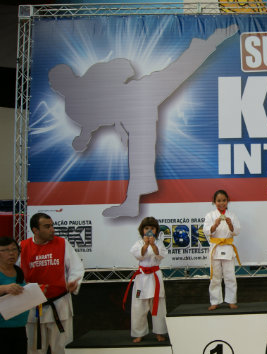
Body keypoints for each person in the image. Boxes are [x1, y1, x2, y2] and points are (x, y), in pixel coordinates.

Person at [48, 25, 238, 218]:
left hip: (137, 97)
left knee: (175, 73)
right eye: (58, 84)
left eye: (61, 82)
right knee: (140, 154)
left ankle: (210, 42)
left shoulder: (91, 78)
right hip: (133, 108)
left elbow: (124, 68)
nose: (61, 87)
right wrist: (84, 138)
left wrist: (87, 134)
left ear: (66, 80)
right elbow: (92, 121)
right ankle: (131, 203)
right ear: (58, 88)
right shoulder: (74, 106)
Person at [19, 212, 84, 354]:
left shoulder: (62, 244)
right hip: (33, 307)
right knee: (35, 352)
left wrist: (73, 282)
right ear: (35, 229)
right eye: (47, 226)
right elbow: (15, 274)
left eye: (52, 225)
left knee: (62, 350)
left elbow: (77, 267)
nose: (52, 229)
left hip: (59, 304)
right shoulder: (23, 247)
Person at [124, 216, 168, 343]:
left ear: (156, 230)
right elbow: (138, 255)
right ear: (142, 230)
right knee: (139, 306)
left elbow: (160, 255)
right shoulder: (139, 243)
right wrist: (145, 245)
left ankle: (159, 332)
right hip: (142, 277)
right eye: (146, 228)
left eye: (152, 228)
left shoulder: (158, 243)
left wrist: (153, 245)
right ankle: (139, 333)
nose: (149, 230)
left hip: (155, 276)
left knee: (158, 306)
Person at [0, 237, 30, 354]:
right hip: (1, 330)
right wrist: (4, 288)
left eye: (14, 250)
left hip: (19, 328)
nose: (11, 254)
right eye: (6, 250)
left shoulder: (18, 271)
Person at [203, 190, 241, 310]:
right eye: (218, 201)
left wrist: (230, 225)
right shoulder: (210, 215)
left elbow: (237, 231)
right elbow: (206, 231)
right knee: (215, 276)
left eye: (224, 200)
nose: (221, 203)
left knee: (230, 275)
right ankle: (215, 301)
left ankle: (231, 300)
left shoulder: (232, 215)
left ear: (227, 201)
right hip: (215, 247)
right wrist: (214, 225)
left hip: (228, 247)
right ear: (214, 202)